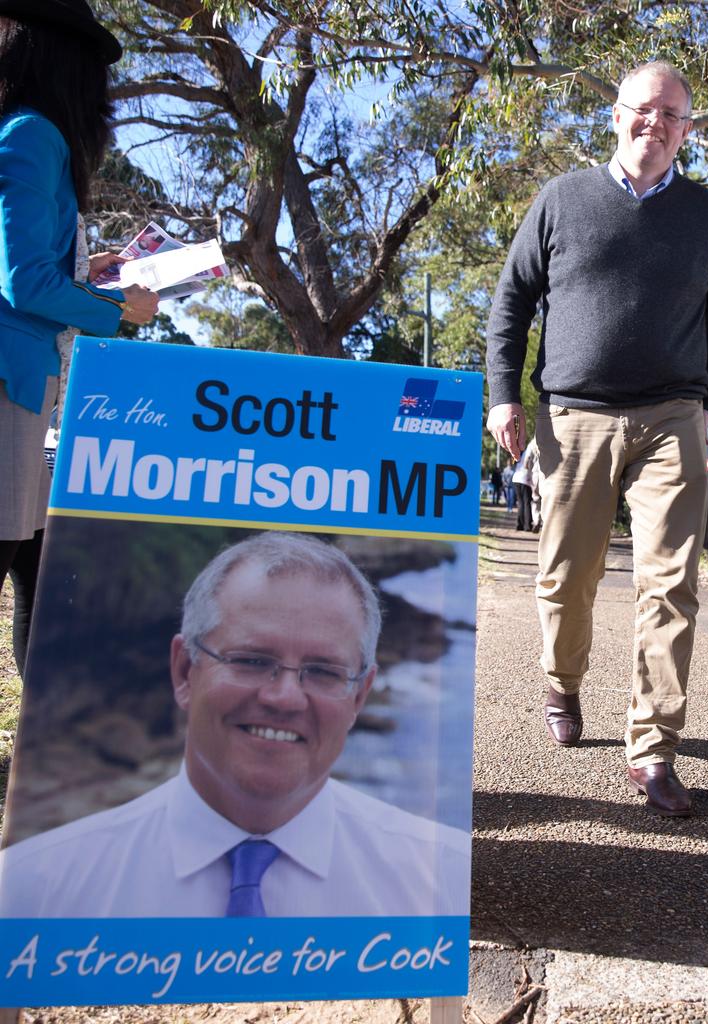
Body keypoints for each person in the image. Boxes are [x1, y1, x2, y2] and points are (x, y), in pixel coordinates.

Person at [485, 61, 708, 818]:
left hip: (672, 415)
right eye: (644, 109)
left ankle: (654, 748)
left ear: (687, 133)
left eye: (672, 116)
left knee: (672, 583)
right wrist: (506, 398)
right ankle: (562, 683)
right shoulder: (563, 200)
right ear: (616, 115)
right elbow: (511, 303)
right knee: (568, 578)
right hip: (574, 414)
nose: (655, 124)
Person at [0, 532, 470, 917]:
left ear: (360, 696)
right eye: (250, 659)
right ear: (184, 670)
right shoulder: (40, 885)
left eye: (324, 671)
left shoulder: (435, 879)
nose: (284, 697)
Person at [0, 0, 159, 675]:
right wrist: (119, 307)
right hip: (10, 381)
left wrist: (83, 269)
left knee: (36, 559)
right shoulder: (32, 133)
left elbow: (31, 262)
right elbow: (23, 285)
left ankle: (39, 747)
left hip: (30, 387)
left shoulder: (30, 132)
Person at [511, 444, 534, 532]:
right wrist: (528, 472)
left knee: (521, 503)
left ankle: (519, 525)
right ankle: (527, 526)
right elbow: (527, 462)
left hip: (516, 478)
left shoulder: (523, 450)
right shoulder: (531, 446)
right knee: (527, 502)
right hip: (524, 478)